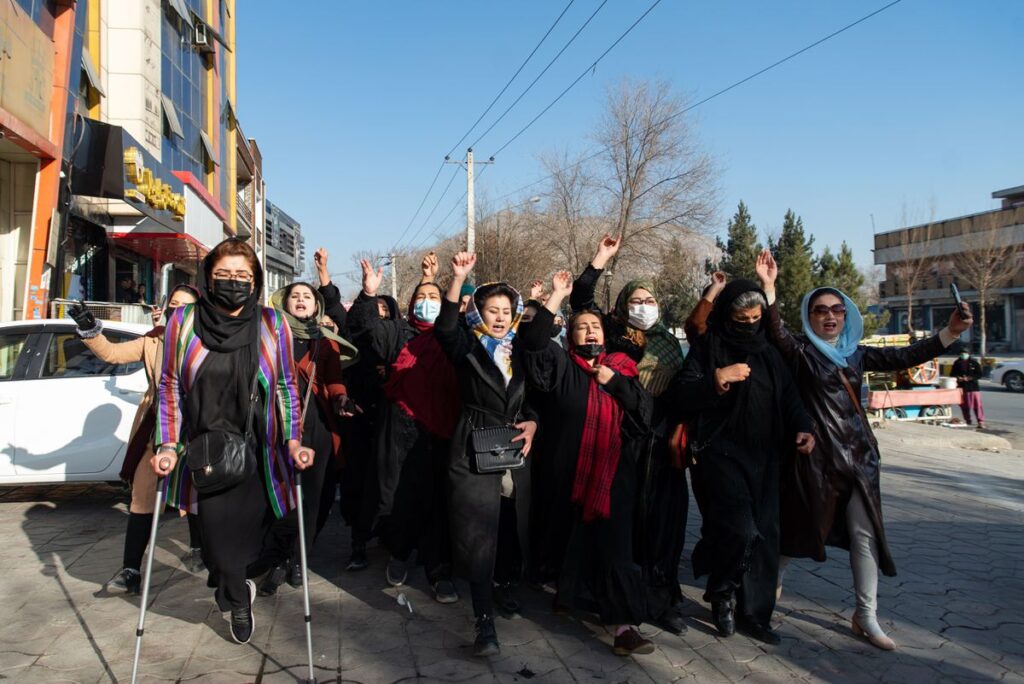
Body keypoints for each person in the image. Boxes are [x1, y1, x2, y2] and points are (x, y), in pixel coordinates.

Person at [755, 249, 973, 651]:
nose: (830, 316)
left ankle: (865, 616)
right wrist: (769, 287)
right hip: (815, 462)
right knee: (796, 532)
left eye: (837, 309)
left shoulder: (856, 353)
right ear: (810, 316)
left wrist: (950, 332)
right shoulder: (800, 352)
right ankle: (766, 595)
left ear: (847, 314)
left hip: (860, 459)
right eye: (820, 310)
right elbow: (776, 332)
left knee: (864, 535)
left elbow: (905, 356)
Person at [152, 238, 312, 645]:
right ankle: (235, 593)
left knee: (253, 540)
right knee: (216, 548)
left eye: (242, 275)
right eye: (223, 274)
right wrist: (167, 444)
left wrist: (293, 440)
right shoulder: (184, 321)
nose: (233, 282)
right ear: (208, 278)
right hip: (207, 450)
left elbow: (285, 385)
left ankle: (237, 591)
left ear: (255, 281)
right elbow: (170, 384)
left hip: (259, 449)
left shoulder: (272, 323)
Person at [663, 278, 815, 645]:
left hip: (766, 457)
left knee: (765, 537)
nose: (749, 325)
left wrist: (803, 427)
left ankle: (755, 615)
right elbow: (681, 394)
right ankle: (722, 590)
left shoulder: (769, 352)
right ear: (727, 316)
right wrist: (716, 379)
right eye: (741, 319)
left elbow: (790, 398)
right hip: (720, 454)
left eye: (755, 318)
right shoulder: (709, 346)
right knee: (740, 529)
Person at [521, 270, 656, 656]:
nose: (590, 332)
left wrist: (613, 382)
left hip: (613, 478)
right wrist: (556, 297)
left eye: (595, 326)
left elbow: (644, 415)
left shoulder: (622, 368)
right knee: (571, 542)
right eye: (581, 327)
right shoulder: (561, 365)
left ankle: (624, 627)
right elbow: (533, 342)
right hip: (566, 475)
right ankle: (568, 595)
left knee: (616, 549)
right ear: (571, 336)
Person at [569, 234, 690, 634]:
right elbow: (581, 300)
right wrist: (600, 258)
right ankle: (619, 598)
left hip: (662, 445)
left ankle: (662, 601)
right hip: (623, 441)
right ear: (623, 305)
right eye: (635, 300)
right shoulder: (613, 331)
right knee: (623, 525)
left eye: (649, 300)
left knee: (663, 526)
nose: (643, 306)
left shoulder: (670, 344)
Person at [434, 252, 537, 657]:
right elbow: (445, 328)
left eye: (506, 311)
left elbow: (533, 400)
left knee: (511, 526)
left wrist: (533, 423)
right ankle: (483, 622)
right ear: (478, 312)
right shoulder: (468, 346)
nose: (499, 317)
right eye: (492, 310)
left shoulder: (519, 350)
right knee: (478, 533)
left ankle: (504, 586)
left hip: (514, 447)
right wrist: (457, 278)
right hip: (473, 445)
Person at [68, 285, 203, 594]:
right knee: (142, 496)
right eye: (173, 304)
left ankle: (198, 548)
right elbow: (113, 354)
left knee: (195, 490)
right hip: (157, 427)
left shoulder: (206, 342)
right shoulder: (154, 340)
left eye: (185, 306)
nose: (177, 310)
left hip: (196, 427)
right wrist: (90, 328)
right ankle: (131, 570)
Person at [346, 252, 460, 603]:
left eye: (434, 297)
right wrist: (368, 294)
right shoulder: (399, 332)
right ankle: (398, 554)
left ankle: (438, 570)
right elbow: (366, 331)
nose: (427, 302)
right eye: (421, 297)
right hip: (399, 429)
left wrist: (438, 279)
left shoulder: (453, 336)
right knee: (398, 497)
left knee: (438, 500)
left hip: (441, 430)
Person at [259, 282, 359, 596]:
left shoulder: (324, 341)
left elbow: (334, 381)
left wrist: (341, 399)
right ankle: (276, 559)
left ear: (316, 306)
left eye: (307, 297)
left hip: (315, 422)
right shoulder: (270, 336)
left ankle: (299, 558)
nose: (301, 300)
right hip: (276, 421)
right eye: (295, 296)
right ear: (284, 303)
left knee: (314, 498)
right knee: (279, 495)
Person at [951, 349, 985, 428]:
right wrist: (958, 378)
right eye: (962, 353)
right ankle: (968, 420)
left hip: (973, 387)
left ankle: (980, 421)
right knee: (964, 406)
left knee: (977, 405)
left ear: (969, 354)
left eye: (965, 353)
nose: (963, 354)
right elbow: (952, 374)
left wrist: (969, 378)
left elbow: (979, 374)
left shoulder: (974, 362)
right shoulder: (957, 363)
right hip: (962, 387)